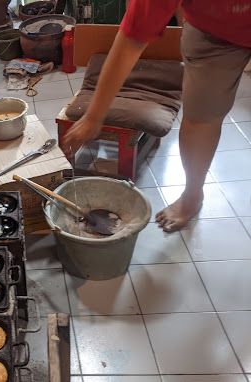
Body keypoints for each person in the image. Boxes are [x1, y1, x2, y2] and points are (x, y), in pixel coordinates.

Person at [62, 0, 251, 232]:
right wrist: (94, 116)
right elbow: (131, 39)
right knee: (201, 118)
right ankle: (193, 195)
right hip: (214, 34)